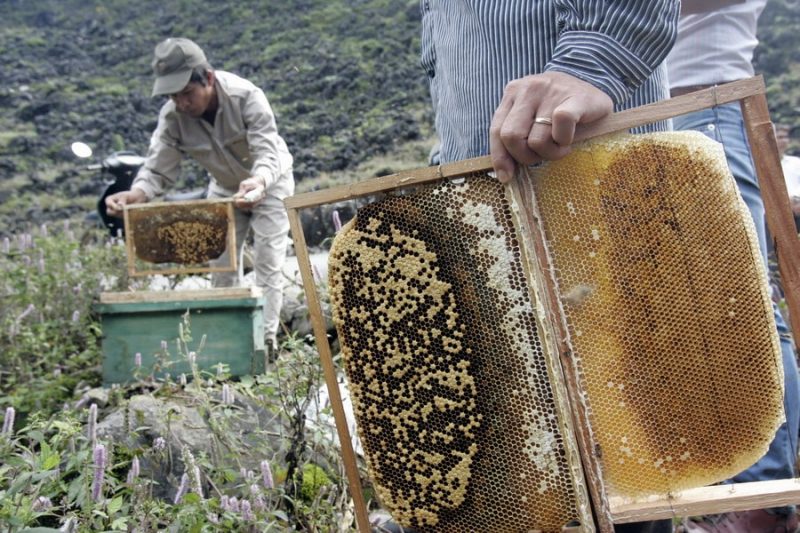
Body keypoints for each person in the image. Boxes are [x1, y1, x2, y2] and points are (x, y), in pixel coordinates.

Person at [416, 3, 680, 533]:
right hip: (488, 224)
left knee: (622, 451)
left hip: (592, 201)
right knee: (525, 466)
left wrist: (589, 65)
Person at [667, 1, 800, 532]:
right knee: (688, 311)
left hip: (708, 100)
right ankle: (731, 487)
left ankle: (764, 500)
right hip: (644, 107)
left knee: (739, 300)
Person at [106, 38, 294, 353]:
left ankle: (266, 342)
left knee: (268, 260)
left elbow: (267, 151)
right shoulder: (172, 118)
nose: (181, 103)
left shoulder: (247, 97)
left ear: (207, 78)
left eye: (187, 93)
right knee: (220, 263)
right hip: (223, 187)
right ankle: (226, 340)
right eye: (172, 96)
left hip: (270, 183)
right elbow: (158, 169)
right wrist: (136, 194)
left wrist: (259, 181)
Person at [777, 124, 800, 229]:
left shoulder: (796, 162)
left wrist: (795, 199)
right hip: (776, 211)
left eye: (786, 137)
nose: (784, 141)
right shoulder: (761, 165)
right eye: (780, 137)